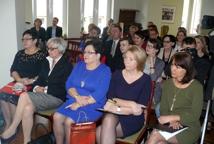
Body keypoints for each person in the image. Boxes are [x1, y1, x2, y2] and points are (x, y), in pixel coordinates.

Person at [0, 38, 72, 144]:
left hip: (56, 98)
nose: (49, 51)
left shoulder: (66, 65)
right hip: (42, 96)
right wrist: (35, 87)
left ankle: (12, 128)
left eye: (52, 49)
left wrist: (44, 89)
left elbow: (62, 87)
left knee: (24, 96)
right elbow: (40, 79)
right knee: (28, 108)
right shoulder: (47, 61)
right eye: (48, 48)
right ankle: (27, 141)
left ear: (60, 50)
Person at [53, 39, 111, 144]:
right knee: (56, 117)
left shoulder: (105, 70)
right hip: (74, 100)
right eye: (85, 52)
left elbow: (99, 94)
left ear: (98, 55)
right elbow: (69, 84)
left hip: (93, 105)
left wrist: (79, 104)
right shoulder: (79, 65)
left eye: (90, 52)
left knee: (69, 122)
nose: (85, 55)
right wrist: (77, 97)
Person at [96, 46, 152, 144]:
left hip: (132, 119)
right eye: (125, 58)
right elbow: (111, 97)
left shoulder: (146, 80)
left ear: (139, 61)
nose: (126, 61)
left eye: (131, 59)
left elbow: (139, 109)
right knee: (107, 121)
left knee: (100, 130)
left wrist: (118, 108)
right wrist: (131, 104)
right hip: (114, 113)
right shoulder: (117, 74)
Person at [146, 52, 203, 144]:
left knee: (155, 134)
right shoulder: (168, 84)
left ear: (187, 69)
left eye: (178, 67)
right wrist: (171, 120)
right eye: (172, 65)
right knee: (160, 142)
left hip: (189, 127)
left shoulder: (196, 87)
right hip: (170, 125)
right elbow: (163, 108)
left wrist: (173, 118)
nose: (173, 69)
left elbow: (194, 115)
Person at [0, 29, 46, 131]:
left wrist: (30, 81)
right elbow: (13, 70)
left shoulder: (42, 55)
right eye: (23, 39)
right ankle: (9, 124)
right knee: (2, 94)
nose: (24, 41)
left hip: (33, 84)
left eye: (27, 39)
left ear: (35, 41)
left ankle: (15, 126)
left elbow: (44, 74)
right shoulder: (20, 53)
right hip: (19, 82)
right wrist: (19, 80)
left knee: (11, 97)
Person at [144, 39, 165, 117]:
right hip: (140, 89)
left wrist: (152, 62)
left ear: (156, 50)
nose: (147, 48)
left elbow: (153, 79)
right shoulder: (142, 59)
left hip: (152, 93)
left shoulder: (160, 63)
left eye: (150, 46)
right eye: (147, 45)